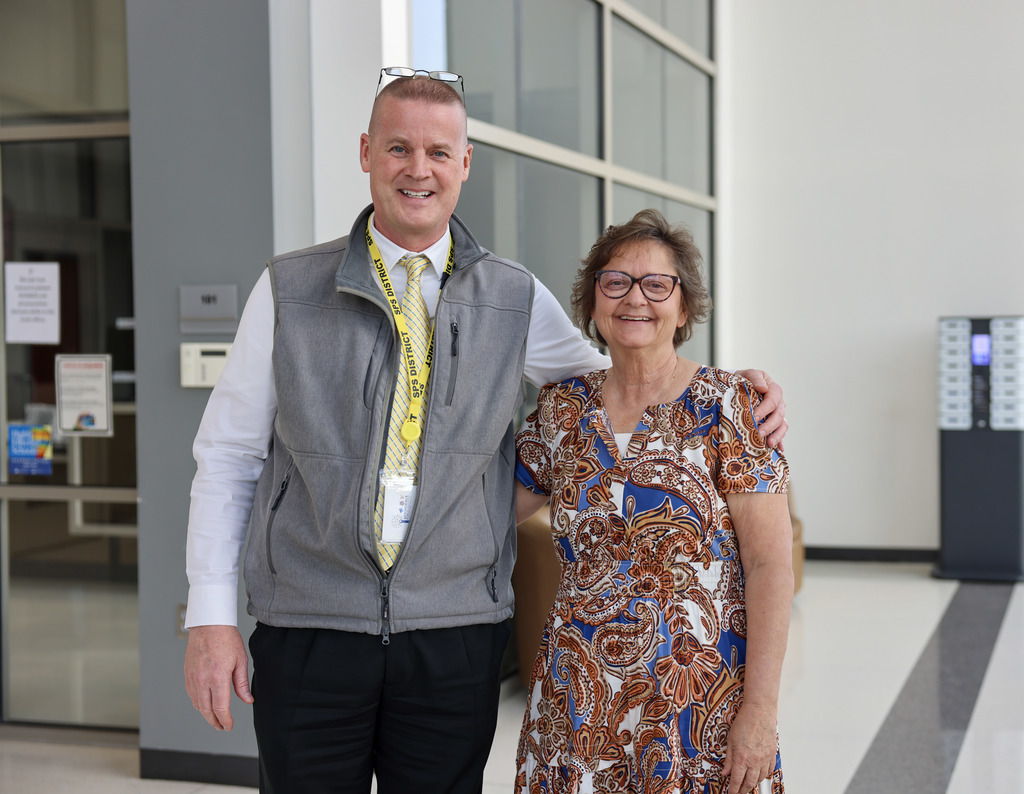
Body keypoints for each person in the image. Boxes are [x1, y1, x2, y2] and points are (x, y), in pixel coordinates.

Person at [183, 69, 788, 794]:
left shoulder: (513, 296)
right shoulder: (288, 289)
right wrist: (210, 616)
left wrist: (740, 390)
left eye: (440, 152)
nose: (419, 169)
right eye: (400, 147)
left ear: (465, 164)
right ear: (368, 151)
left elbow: (625, 370)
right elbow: (227, 457)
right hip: (313, 625)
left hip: (453, 634)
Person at [513, 209, 793, 794]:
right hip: (576, 703)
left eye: (656, 284)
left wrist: (761, 713)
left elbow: (770, 566)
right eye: (614, 282)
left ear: (684, 307)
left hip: (696, 705)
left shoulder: (732, 405)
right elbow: (484, 513)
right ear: (592, 305)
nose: (634, 298)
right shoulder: (562, 411)